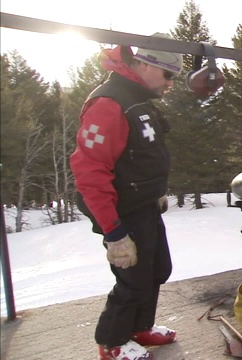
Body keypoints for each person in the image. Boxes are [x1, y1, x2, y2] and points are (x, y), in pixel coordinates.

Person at [70, 33, 183, 360]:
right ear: (147, 65)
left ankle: (139, 328)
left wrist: (155, 193)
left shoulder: (137, 99)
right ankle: (112, 341)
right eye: (169, 75)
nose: (171, 83)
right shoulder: (109, 103)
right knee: (132, 276)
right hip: (119, 209)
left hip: (142, 203)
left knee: (157, 268)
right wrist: (114, 233)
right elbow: (90, 172)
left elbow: (139, 155)